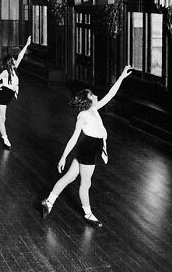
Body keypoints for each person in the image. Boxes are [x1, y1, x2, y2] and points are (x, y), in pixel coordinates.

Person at [41, 65, 133, 227]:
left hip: (92, 147)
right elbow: (74, 138)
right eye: (93, 95)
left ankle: (48, 202)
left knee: (70, 177)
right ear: (88, 100)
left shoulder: (94, 109)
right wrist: (63, 157)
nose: (96, 96)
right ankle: (88, 214)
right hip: (88, 148)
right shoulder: (83, 115)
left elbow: (110, 94)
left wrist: (121, 77)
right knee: (86, 183)